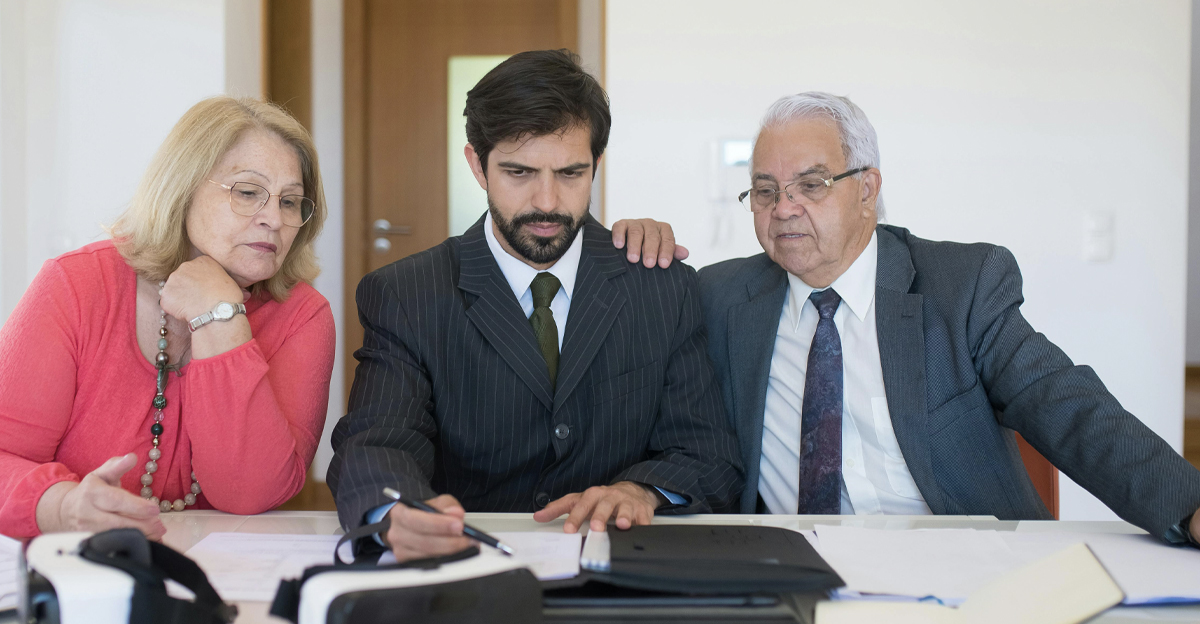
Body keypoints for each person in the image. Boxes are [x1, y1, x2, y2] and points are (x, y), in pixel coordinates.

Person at [694, 91, 1200, 546]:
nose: (784, 209)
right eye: (765, 191)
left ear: (867, 190)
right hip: (796, 571)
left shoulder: (961, 286)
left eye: (812, 184)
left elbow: (1063, 403)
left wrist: (1189, 506)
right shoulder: (720, 298)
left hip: (964, 566)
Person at [327, 49, 743, 562]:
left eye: (570, 174)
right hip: (466, 566)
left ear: (596, 164)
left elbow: (707, 455)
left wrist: (644, 491)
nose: (547, 202)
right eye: (519, 173)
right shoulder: (407, 293)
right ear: (477, 165)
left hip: (619, 564)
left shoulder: (661, 287)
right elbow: (377, 442)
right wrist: (393, 514)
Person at [0, 97, 336, 540]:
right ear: (184, 186)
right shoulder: (76, 285)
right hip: (76, 571)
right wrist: (60, 506)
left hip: (223, 582)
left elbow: (250, 492)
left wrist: (222, 318)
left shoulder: (304, 316)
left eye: (291, 202)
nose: (273, 219)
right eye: (248, 192)